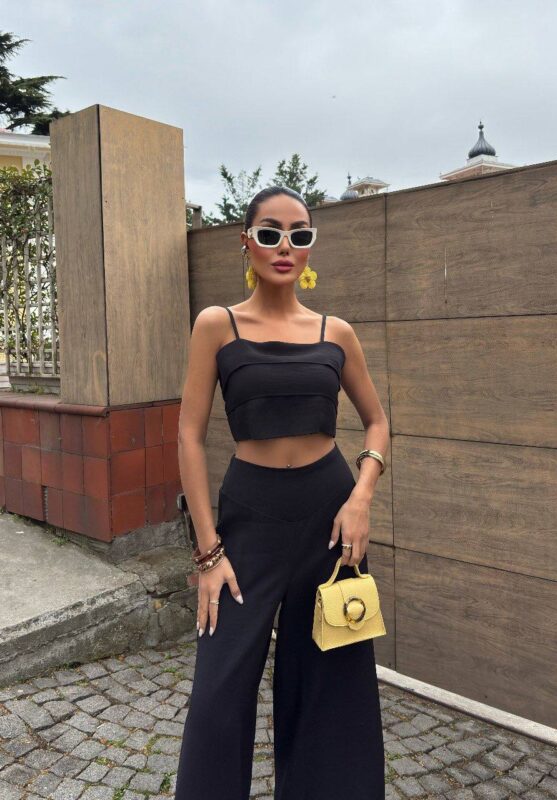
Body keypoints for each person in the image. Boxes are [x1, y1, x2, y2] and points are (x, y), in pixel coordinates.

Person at [174, 186, 390, 799]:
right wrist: (208, 553)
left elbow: (377, 421)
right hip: (250, 518)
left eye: (299, 234)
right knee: (219, 691)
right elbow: (188, 436)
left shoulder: (335, 332)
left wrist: (361, 497)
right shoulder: (217, 325)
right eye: (270, 233)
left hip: (330, 519)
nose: (285, 246)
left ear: (311, 246)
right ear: (246, 243)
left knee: (332, 686)